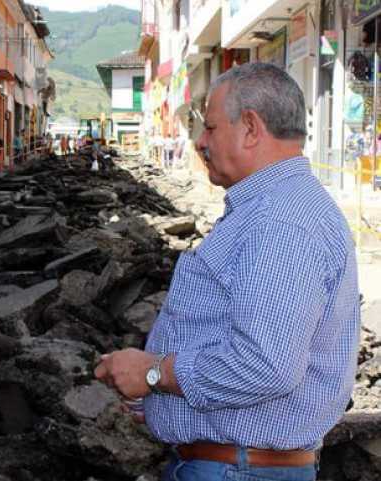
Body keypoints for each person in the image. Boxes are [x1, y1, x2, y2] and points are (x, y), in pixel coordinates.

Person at [95, 63, 360, 481]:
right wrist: (161, 401)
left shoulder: (280, 221)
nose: (201, 142)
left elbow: (263, 365)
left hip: (238, 470)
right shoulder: (271, 210)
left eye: (211, 128)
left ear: (251, 128)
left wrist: (153, 373)